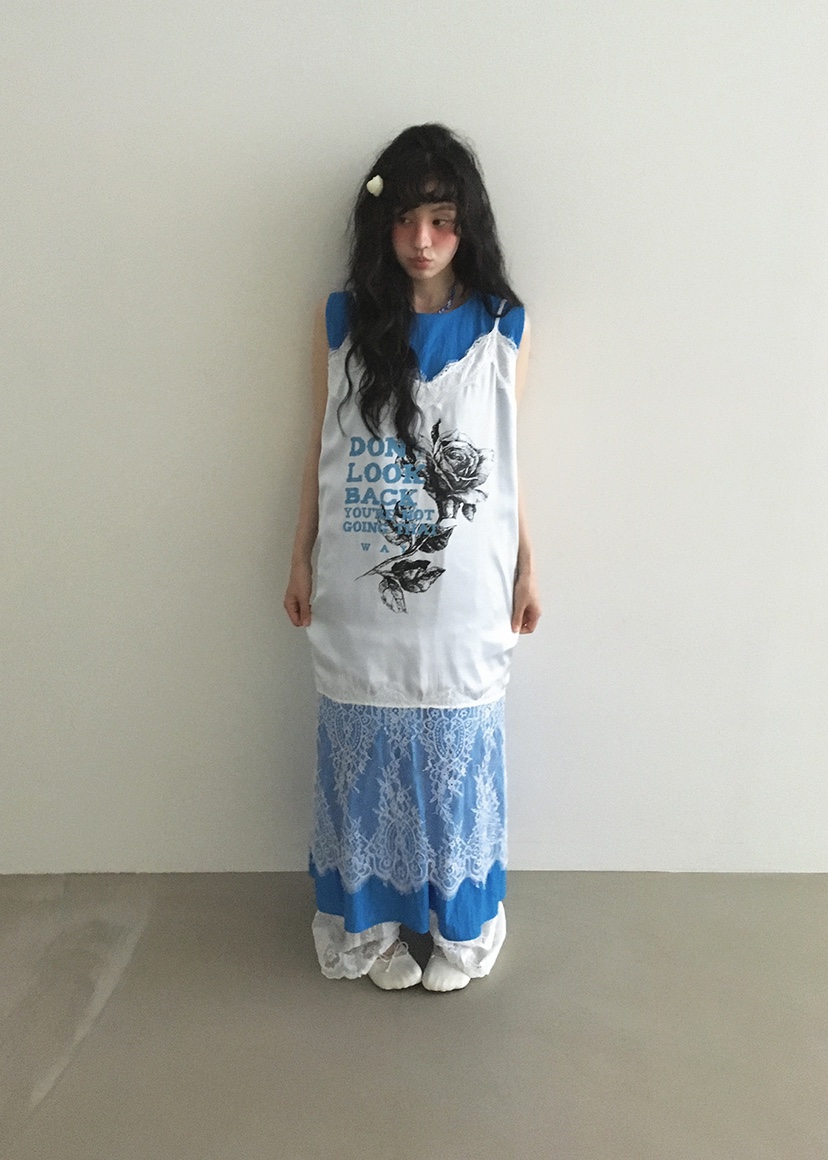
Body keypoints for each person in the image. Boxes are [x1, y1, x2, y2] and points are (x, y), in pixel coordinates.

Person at [284, 123, 540, 992]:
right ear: (380, 224)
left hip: (465, 593)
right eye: (404, 219)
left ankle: (462, 925)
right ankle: (372, 928)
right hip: (360, 592)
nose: (422, 240)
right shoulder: (343, 321)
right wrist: (299, 554)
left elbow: (507, 463)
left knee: (453, 757)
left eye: (441, 220)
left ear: (467, 225)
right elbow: (320, 447)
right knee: (366, 761)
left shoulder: (504, 327)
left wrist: (529, 563)